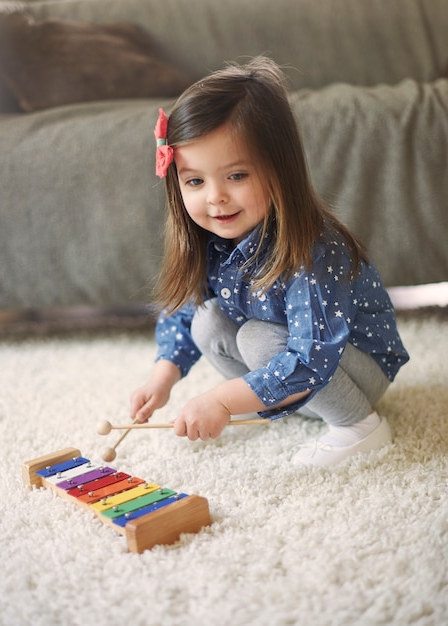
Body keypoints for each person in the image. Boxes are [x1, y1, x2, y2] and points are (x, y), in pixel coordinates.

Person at [130, 56, 409, 468]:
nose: (215, 197)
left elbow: (312, 355)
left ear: (279, 170)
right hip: (301, 375)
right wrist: (163, 376)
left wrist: (222, 400)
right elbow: (185, 312)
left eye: (236, 176)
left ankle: (359, 426)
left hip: (355, 370)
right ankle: (277, 402)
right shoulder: (210, 238)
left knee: (257, 338)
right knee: (206, 320)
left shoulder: (313, 247)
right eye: (195, 181)